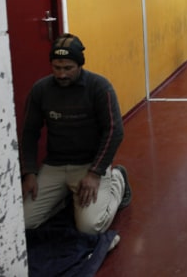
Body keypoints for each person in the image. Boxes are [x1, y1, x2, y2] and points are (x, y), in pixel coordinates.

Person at [20, 33, 132, 239]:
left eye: (67, 68)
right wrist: (29, 172)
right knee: (22, 223)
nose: (61, 74)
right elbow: (29, 133)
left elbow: (115, 131)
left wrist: (95, 173)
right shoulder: (40, 90)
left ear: (80, 65)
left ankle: (117, 180)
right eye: (56, 68)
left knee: (90, 228)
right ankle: (64, 197)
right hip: (54, 165)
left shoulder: (100, 87)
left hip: (88, 166)